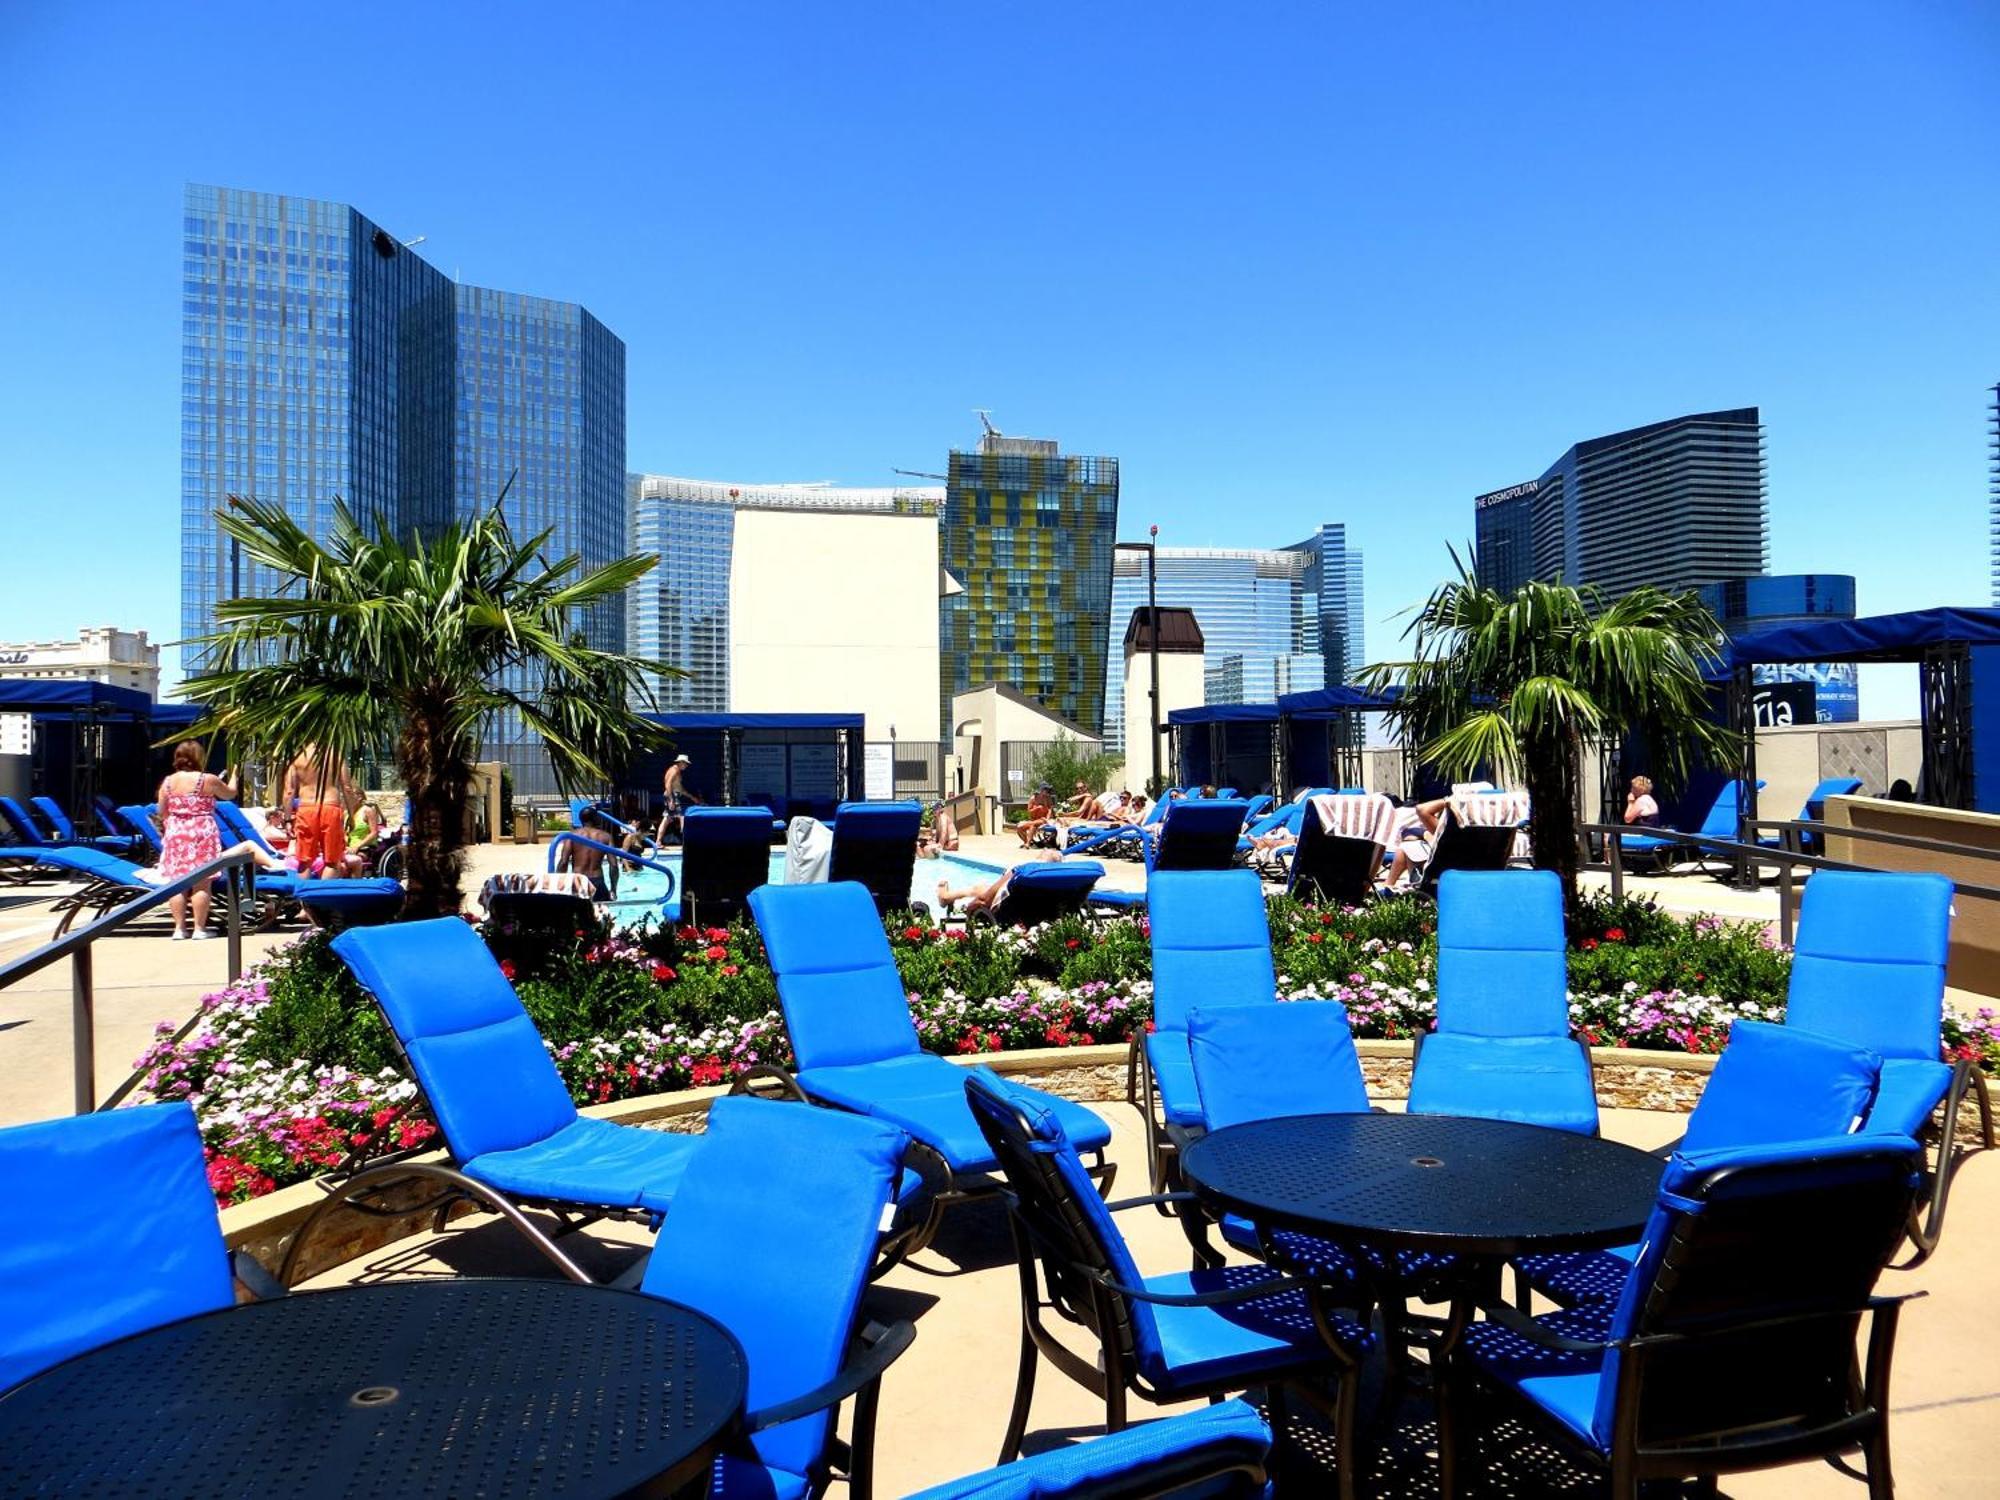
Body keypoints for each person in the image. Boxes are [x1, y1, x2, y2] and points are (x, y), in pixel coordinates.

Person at [154, 741, 239, 940]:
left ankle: (179, 929)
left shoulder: (167, 781)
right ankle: (199, 929)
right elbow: (230, 794)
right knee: (202, 882)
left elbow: (162, 811)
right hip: (201, 831)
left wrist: (176, 824)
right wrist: (234, 777)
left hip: (176, 831)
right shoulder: (207, 779)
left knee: (177, 881)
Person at [283, 743, 359, 879]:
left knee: (305, 861)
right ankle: (322, 897)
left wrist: (287, 819)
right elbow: (347, 787)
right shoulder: (335, 754)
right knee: (333, 861)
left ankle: (303, 898)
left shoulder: (297, 756)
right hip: (330, 807)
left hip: (306, 808)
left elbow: (289, 792)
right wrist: (352, 815)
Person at [938, 850, 1059, 918]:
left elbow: (983, 900)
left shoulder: (1022, 871)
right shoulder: (1058, 879)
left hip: (1010, 911)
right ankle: (947, 897)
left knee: (980, 889)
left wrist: (969, 908)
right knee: (982, 888)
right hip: (1040, 911)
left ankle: (945, 897)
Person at [557, 809, 620, 901]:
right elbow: (614, 865)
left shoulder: (572, 836)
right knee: (600, 913)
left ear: (581, 819)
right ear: (595, 819)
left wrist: (559, 884)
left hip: (578, 879)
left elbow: (563, 862)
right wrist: (613, 889)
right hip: (597, 881)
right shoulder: (606, 836)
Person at [659, 754, 702, 844]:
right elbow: (668, 784)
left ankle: (658, 842)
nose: (686, 766)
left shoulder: (676, 771)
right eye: (685, 764)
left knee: (668, 819)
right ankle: (686, 841)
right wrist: (671, 800)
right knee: (682, 816)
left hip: (673, 795)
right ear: (681, 762)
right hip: (672, 796)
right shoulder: (674, 770)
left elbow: (680, 789)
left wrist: (692, 798)